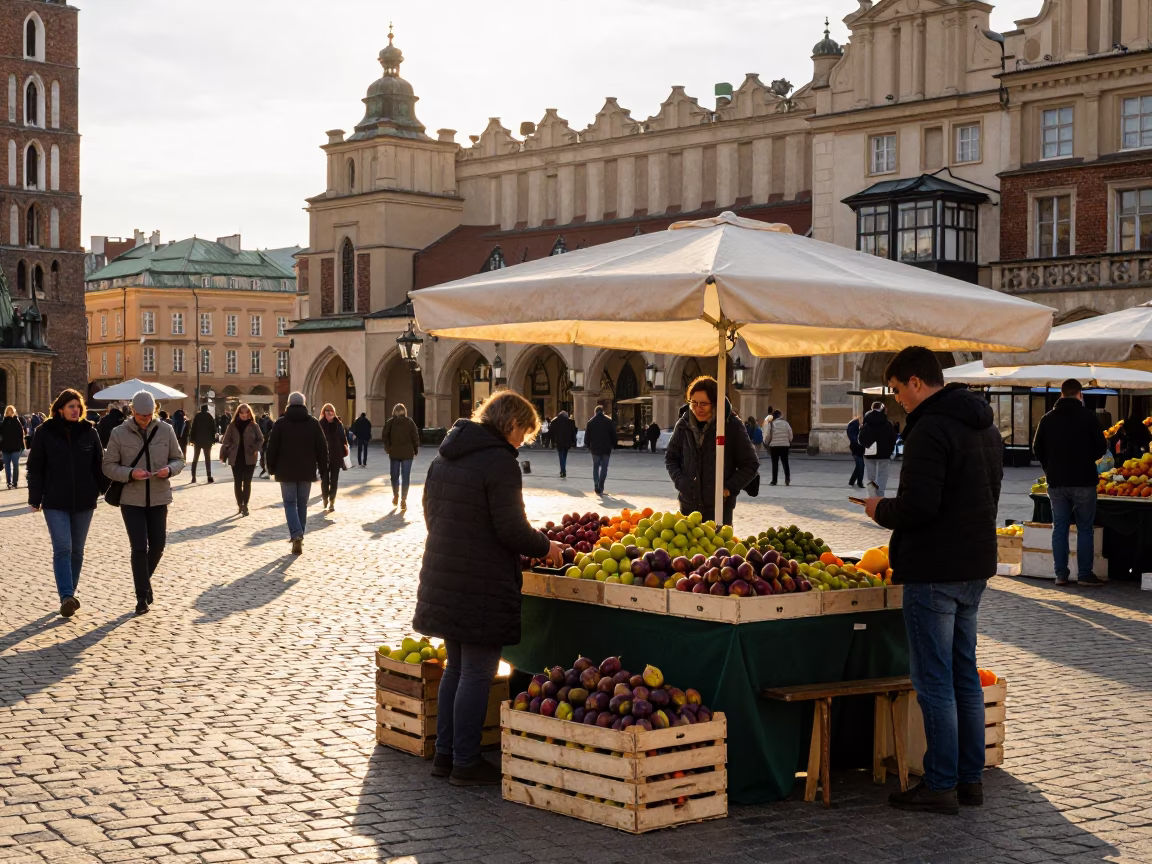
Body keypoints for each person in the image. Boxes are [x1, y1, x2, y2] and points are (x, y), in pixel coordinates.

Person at [864, 347, 1003, 815]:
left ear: (917, 382)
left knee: (934, 680)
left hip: (933, 570)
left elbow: (919, 505)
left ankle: (940, 782)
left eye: (899, 389)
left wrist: (879, 509)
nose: (898, 399)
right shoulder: (984, 425)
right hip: (973, 564)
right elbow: (990, 493)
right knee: (965, 673)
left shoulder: (929, 427)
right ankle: (970, 780)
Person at [413, 390, 563, 786]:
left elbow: (431, 511)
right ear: (510, 424)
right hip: (481, 581)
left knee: (457, 668)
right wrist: (547, 547)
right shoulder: (499, 462)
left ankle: (445, 756)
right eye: (523, 434)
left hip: (445, 572)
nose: (521, 442)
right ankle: (465, 762)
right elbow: (511, 528)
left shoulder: (445, 455)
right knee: (478, 671)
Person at [26, 389, 108, 618]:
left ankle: (69, 594)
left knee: (77, 551)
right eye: (71, 406)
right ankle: (66, 596)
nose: (76, 410)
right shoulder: (45, 432)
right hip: (55, 500)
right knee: (63, 548)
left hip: (84, 499)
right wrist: (35, 498)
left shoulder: (89, 432)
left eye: (78, 406)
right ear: (60, 409)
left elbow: (99, 465)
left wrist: (109, 490)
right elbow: (35, 467)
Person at [103, 390, 185, 615]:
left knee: (158, 546)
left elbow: (179, 459)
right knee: (139, 548)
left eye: (149, 415)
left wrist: (169, 470)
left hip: (159, 496)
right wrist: (130, 473)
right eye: (141, 416)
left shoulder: (166, 430)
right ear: (133, 412)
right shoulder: (118, 433)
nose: (146, 419)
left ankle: (143, 582)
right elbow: (108, 466)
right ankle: (141, 597)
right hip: (131, 499)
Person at [1032, 379, 1108, 587]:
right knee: (1085, 528)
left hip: (1056, 481)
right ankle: (1084, 574)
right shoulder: (1089, 418)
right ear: (1080, 394)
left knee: (1060, 528)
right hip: (1084, 480)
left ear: (1061, 394)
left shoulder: (1048, 419)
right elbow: (1101, 447)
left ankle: (1061, 574)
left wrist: (1050, 467)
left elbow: (1037, 448)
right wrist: (1085, 460)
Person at [665, 376, 759, 526]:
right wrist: (681, 482)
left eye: (704, 404)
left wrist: (728, 489)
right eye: (693, 403)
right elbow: (671, 457)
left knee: (718, 549)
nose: (697, 408)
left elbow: (751, 464)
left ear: (715, 403)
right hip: (688, 506)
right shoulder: (683, 424)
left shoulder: (731, 425)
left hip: (719, 508)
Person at [266, 391, 327, 555]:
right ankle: (299, 534)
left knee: (289, 503)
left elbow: (272, 449)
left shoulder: (280, 423)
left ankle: (296, 533)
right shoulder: (313, 423)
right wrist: (323, 469)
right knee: (302, 504)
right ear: (304, 404)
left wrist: (271, 468)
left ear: (288, 404)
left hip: (285, 471)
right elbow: (322, 449)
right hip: (306, 470)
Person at [219, 402, 264, 517]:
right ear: (238, 413)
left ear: (249, 413)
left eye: (246, 412)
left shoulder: (254, 425)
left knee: (247, 482)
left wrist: (253, 448)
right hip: (236, 457)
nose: (244, 415)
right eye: (242, 413)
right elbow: (225, 441)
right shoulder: (232, 425)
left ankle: (245, 505)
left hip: (249, 458)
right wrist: (225, 453)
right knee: (238, 482)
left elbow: (260, 439)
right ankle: (240, 504)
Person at [382, 403, 420, 509]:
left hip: (395, 453)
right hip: (406, 454)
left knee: (395, 476)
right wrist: (415, 449)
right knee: (405, 476)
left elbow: (385, 437)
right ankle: (403, 498)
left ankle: (397, 495)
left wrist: (388, 448)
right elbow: (415, 437)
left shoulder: (392, 422)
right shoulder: (409, 422)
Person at [859, 401, 898, 495]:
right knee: (882, 475)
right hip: (884, 454)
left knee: (870, 476)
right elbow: (893, 438)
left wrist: (867, 446)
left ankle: (872, 493)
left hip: (869, 453)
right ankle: (880, 494)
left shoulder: (867, 423)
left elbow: (860, 439)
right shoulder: (888, 424)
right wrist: (890, 449)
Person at [318, 403, 348, 512]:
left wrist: (344, 452)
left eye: (331, 411)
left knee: (334, 479)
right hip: (323, 455)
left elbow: (343, 439)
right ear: (323, 412)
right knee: (324, 479)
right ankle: (325, 497)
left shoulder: (338, 424)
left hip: (335, 454)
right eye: (327, 411)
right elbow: (318, 439)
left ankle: (332, 501)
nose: (329, 413)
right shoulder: (320, 424)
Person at [584, 406, 616, 494]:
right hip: (606, 448)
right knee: (604, 468)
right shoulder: (609, 421)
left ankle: (596, 484)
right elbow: (613, 434)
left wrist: (588, 445)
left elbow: (587, 437)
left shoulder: (590, 422)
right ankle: (601, 485)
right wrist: (614, 444)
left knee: (595, 466)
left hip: (595, 448)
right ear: (603, 412)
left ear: (595, 412)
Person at [763, 409, 794, 486]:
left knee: (775, 463)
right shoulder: (786, 423)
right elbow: (790, 433)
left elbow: (768, 435)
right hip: (784, 445)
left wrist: (766, 442)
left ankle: (774, 480)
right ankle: (787, 479)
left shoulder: (772, 424)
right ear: (780, 415)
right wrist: (789, 441)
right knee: (785, 462)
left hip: (774, 446)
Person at [189, 404, 216, 483]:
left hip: (198, 441)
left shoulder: (197, 416)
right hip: (207, 441)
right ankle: (209, 476)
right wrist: (213, 440)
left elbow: (193, 428)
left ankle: (193, 477)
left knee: (195, 459)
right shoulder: (210, 416)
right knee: (207, 459)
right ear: (207, 409)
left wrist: (192, 439)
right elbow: (213, 429)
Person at [2, 405, 25, 489]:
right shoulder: (3, 423)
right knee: (7, 466)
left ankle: (15, 482)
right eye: (8, 412)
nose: (9, 413)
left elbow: (21, 434)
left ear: (13, 412)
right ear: (5, 413)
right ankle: (9, 482)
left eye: (10, 411)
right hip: (6, 448)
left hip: (15, 447)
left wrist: (22, 446)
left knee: (15, 464)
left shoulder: (16, 422)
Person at [550, 410, 576, 478]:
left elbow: (551, 433)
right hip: (567, 442)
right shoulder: (571, 422)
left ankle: (563, 471)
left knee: (561, 456)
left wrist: (553, 442)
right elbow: (573, 433)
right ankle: (563, 470)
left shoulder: (555, 421)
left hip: (559, 441)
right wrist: (573, 442)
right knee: (564, 456)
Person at [847, 413, 865, 488]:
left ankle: (851, 481)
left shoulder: (857, 426)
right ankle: (859, 483)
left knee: (859, 465)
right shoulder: (854, 424)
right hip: (856, 448)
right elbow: (854, 437)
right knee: (860, 465)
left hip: (858, 448)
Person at [258, 411, 274, 477]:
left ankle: (264, 469)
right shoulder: (272, 423)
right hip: (268, 442)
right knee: (266, 457)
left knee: (262, 457)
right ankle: (266, 470)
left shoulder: (260, 423)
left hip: (263, 442)